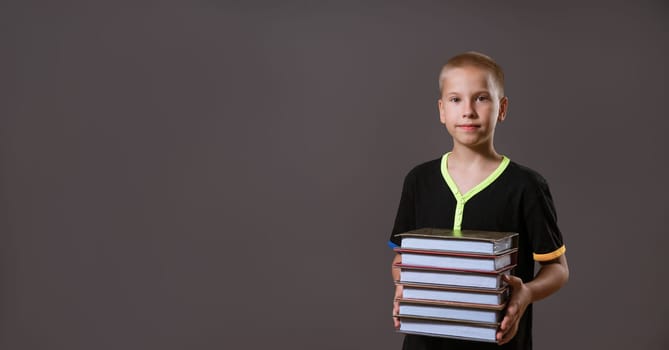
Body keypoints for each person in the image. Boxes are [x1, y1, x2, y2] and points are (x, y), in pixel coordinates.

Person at [388, 51, 569, 350]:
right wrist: (403, 284)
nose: (468, 110)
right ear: (442, 110)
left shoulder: (526, 186)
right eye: (456, 99)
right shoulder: (419, 180)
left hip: (498, 339)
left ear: (502, 108)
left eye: (482, 98)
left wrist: (527, 293)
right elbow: (402, 259)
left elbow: (558, 269)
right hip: (424, 341)